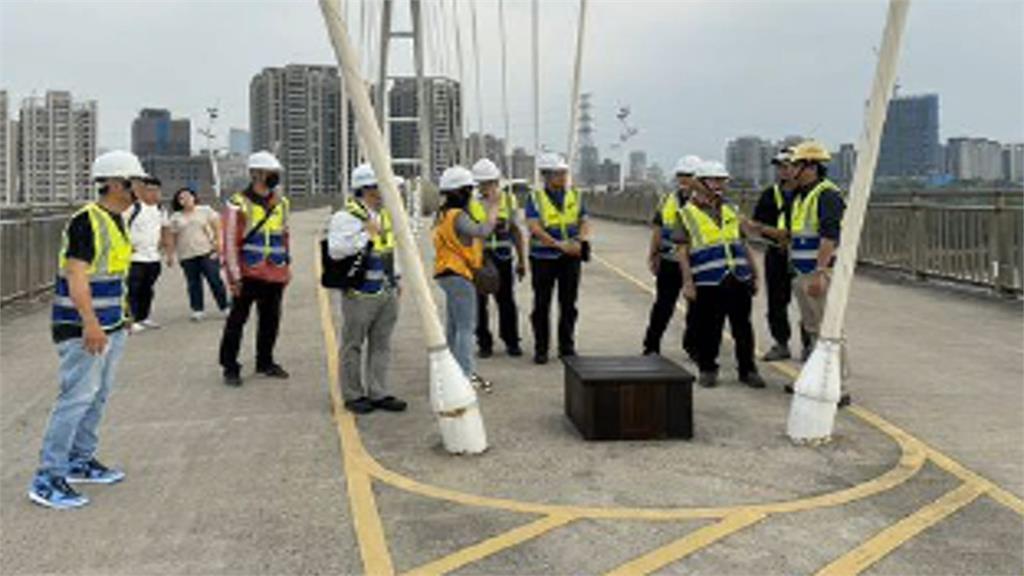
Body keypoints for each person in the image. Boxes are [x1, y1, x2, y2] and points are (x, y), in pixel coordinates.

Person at [29, 151, 146, 509]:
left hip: (111, 325)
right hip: (83, 328)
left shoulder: (118, 220)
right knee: (76, 398)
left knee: (98, 395)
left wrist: (122, 316)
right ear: (115, 183)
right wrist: (91, 324)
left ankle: (80, 460)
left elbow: (114, 276)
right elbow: (77, 275)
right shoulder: (86, 221)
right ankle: (48, 477)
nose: (141, 186)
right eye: (136, 180)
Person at [327, 163, 407, 415]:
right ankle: (353, 394)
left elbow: (390, 249)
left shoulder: (385, 215)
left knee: (381, 343)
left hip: (386, 289)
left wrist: (397, 278)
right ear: (368, 189)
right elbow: (336, 250)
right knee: (353, 344)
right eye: (384, 187)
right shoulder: (346, 217)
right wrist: (366, 235)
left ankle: (378, 392)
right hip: (359, 292)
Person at [678, 161, 766, 389]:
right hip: (708, 279)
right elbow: (682, 251)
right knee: (710, 327)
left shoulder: (731, 210)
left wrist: (755, 274)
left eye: (721, 180)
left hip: (738, 277)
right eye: (714, 180)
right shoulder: (686, 214)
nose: (719, 185)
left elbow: (743, 244)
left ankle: (748, 370)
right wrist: (688, 283)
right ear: (700, 183)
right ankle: (708, 369)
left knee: (743, 328)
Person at [778, 141, 850, 406]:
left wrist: (820, 272)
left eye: (795, 165)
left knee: (828, 329)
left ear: (810, 167)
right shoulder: (801, 196)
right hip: (802, 270)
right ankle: (813, 378)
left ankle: (838, 386)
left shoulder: (826, 195)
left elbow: (829, 236)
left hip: (818, 272)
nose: (790, 170)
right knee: (811, 329)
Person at [219, 151, 291, 387]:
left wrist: (286, 267)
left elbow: (284, 235)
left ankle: (265, 362)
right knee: (237, 321)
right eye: (270, 173)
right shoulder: (237, 204)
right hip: (248, 272)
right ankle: (230, 366)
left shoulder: (281, 203)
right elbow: (229, 243)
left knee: (271, 320)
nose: (274, 177)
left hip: (275, 270)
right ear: (255, 174)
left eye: (275, 173)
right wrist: (234, 277)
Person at [433, 165, 499, 391]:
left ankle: (451, 373)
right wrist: (493, 207)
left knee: (454, 327)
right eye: (469, 190)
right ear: (461, 192)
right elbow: (482, 231)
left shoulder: (443, 214)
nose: (472, 193)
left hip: (447, 273)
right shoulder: (457, 215)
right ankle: (464, 375)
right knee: (465, 328)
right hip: (458, 274)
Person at [525, 152, 591, 365]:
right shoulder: (534, 198)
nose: (563, 177)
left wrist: (580, 240)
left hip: (569, 259)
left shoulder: (575, 195)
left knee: (569, 304)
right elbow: (534, 227)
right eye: (558, 174)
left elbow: (584, 220)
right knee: (542, 305)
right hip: (543, 258)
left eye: (564, 173)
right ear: (546, 176)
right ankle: (541, 348)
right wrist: (561, 245)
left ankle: (567, 347)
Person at [642, 154, 702, 357]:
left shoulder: (705, 203)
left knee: (696, 310)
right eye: (681, 175)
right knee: (663, 306)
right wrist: (653, 254)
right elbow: (658, 229)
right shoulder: (668, 200)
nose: (683, 179)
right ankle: (651, 346)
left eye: (688, 175)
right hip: (669, 261)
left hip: (696, 263)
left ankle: (693, 346)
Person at [469, 158, 526, 358]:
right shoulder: (470, 203)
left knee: (506, 301)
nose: (486, 187)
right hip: (479, 259)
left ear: (497, 181)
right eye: (482, 183)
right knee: (479, 303)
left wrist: (522, 261)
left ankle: (511, 341)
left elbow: (517, 232)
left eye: (490, 182)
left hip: (503, 258)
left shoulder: (509, 201)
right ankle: (484, 343)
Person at [751, 148, 803, 361]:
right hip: (777, 253)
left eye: (788, 166)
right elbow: (757, 223)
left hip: (802, 254)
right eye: (780, 167)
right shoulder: (770, 194)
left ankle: (809, 345)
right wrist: (772, 233)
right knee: (776, 302)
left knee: (807, 303)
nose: (784, 171)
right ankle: (781, 343)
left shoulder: (808, 193)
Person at [166, 187, 230, 321]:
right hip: (186, 255)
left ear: (194, 197)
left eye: (188, 196)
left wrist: (219, 243)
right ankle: (197, 310)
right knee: (193, 283)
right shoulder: (175, 217)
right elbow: (171, 237)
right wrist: (170, 255)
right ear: (178, 202)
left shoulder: (205, 210)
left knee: (215, 280)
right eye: (182, 198)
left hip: (207, 251)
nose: (186, 199)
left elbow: (217, 226)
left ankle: (225, 307)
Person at [126, 176, 170, 333]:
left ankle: (143, 317)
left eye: (156, 190)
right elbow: (120, 226)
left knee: (147, 289)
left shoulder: (160, 209)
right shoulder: (133, 208)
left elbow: (165, 229)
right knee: (132, 289)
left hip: (153, 257)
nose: (153, 193)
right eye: (149, 190)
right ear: (141, 191)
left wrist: (168, 251)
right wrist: (127, 246)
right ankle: (130, 320)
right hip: (135, 258)